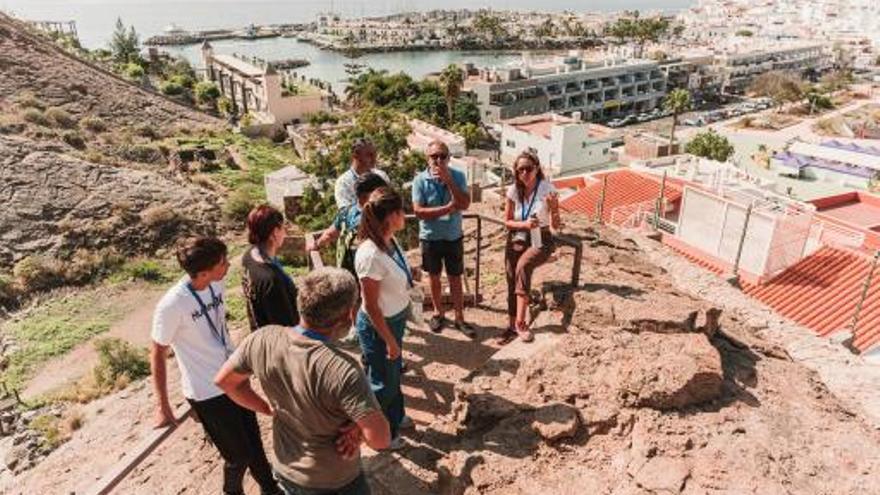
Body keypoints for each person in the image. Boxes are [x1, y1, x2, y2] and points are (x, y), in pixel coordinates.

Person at [214, 267, 391, 495]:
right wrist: (358, 428)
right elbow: (381, 439)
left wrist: (267, 408)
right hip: (335, 481)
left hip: (287, 473)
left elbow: (225, 381)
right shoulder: (343, 369)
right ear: (347, 316)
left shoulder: (263, 338)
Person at [151, 236, 281, 495]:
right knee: (238, 455)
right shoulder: (172, 305)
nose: (228, 265)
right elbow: (157, 352)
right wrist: (163, 406)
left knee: (254, 442)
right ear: (203, 272)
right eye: (222, 262)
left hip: (233, 376)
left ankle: (270, 488)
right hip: (207, 391)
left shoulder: (216, 284)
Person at [354, 187, 414, 449]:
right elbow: (371, 306)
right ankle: (378, 436)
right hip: (380, 326)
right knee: (381, 384)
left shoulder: (389, 241)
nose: (405, 215)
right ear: (390, 216)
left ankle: (396, 417)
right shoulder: (370, 255)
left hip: (395, 319)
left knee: (392, 376)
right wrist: (389, 340)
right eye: (401, 211)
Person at [411, 141, 474, 336]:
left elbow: (464, 204)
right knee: (434, 277)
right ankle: (438, 313)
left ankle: (459, 317)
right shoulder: (420, 180)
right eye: (434, 156)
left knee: (455, 277)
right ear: (427, 158)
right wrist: (447, 209)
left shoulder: (458, 176)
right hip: (430, 238)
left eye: (442, 156)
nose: (438, 160)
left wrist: (449, 181)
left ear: (448, 157)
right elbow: (418, 211)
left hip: (453, 236)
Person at [500, 151, 562, 344]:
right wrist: (524, 225)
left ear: (537, 168)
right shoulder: (513, 191)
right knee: (512, 279)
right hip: (517, 235)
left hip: (540, 238)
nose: (525, 173)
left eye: (529, 168)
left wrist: (554, 209)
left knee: (523, 266)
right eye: (521, 170)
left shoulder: (547, 189)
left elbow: (556, 227)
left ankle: (521, 323)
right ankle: (511, 325)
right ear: (516, 172)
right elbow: (508, 222)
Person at [308, 172, 388, 279]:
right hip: (366, 274)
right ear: (368, 195)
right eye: (382, 193)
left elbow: (330, 234)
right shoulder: (371, 219)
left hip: (346, 272)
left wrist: (316, 245)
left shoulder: (347, 212)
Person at [242, 205, 299, 331]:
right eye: (283, 227)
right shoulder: (271, 279)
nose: (285, 231)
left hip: (259, 332)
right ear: (274, 232)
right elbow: (286, 327)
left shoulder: (249, 256)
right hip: (276, 343)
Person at [334, 138, 390, 210]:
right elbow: (345, 210)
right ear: (356, 155)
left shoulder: (382, 175)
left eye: (374, 154)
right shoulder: (344, 182)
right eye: (369, 155)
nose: (374, 158)